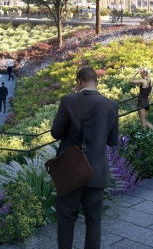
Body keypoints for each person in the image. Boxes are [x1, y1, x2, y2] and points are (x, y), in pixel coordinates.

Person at [51, 66, 119, 249]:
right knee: (94, 221)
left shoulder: (68, 101)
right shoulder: (111, 105)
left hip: (72, 171)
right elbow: (113, 141)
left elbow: (56, 133)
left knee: (66, 219)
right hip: (96, 171)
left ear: (79, 81)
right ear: (96, 82)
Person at [128, 68, 153, 132]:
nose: (140, 74)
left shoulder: (143, 81)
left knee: (143, 121)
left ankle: (145, 137)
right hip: (147, 102)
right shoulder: (151, 82)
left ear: (144, 74)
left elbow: (130, 80)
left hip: (141, 101)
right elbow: (151, 94)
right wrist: (149, 102)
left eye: (141, 73)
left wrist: (136, 72)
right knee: (145, 121)